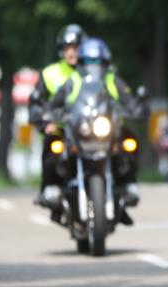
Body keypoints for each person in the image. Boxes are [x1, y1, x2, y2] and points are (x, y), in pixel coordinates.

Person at [49, 37, 141, 210]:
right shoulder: (74, 80)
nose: (93, 65)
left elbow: (127, 98)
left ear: (105, 62)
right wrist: (51, 111)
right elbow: (57, 101)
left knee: (130, 142)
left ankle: (129, 183)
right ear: (81, 62)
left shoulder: (111, 79)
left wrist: (136, 107)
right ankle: (56, 187)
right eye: (89, 61)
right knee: (57, 147)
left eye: (97, 61)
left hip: (106, 128)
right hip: (80, 128)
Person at [29, 23, 86, 211]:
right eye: (67, 48)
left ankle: (121, 189)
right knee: (52, 142)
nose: (71, 53)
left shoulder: (94, 72)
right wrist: (44, 122)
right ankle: (48, 187)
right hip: (63, 127)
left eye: (76, 48)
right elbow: (36, 101)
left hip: (90, 126)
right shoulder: (50, 73)